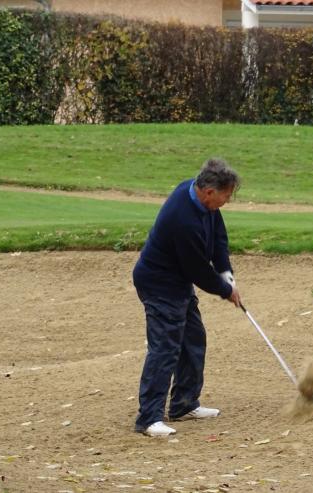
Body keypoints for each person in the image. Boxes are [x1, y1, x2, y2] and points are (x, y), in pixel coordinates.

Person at [131, 158, 242, 437]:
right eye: (225, 196)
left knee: (193, 339)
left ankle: (183, 404)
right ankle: (148, 418)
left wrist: (226, 273)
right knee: (165, 348)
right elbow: (197, 270)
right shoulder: (182, 218)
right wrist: (225, 291)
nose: (226, 201)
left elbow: (218, 237)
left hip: (177, 282)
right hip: (158, 283)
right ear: (209, 192)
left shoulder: (204, 203)